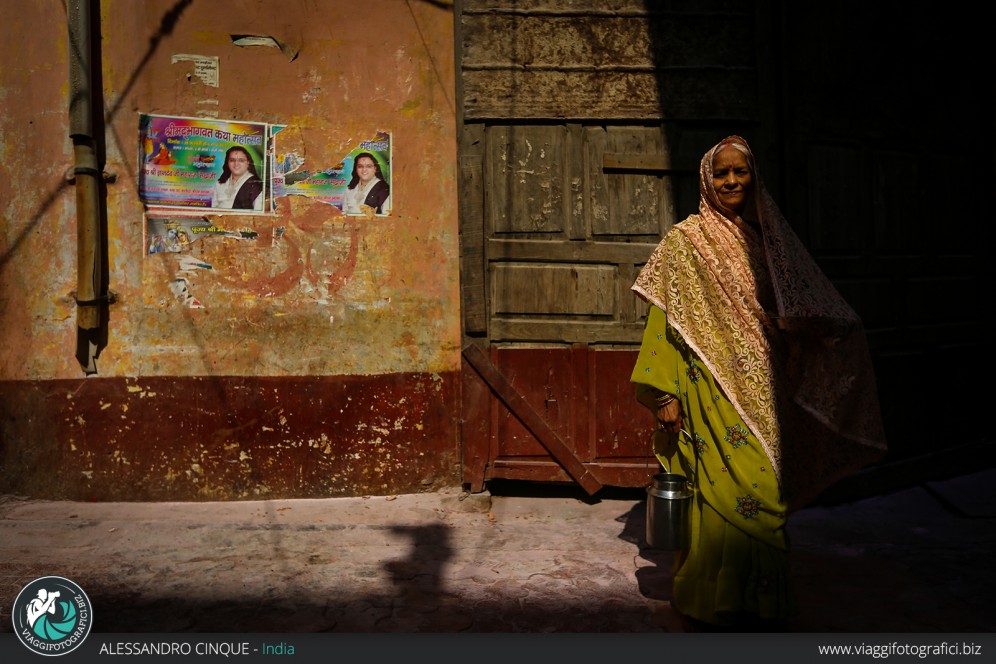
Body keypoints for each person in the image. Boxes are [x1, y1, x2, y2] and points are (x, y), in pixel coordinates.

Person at [630, 135, 887, 630]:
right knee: (715, 493)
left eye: (740, 172)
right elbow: (662, 323)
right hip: (707, 388)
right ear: (706, 180)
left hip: (765, 391)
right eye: (721, 173)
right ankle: (710, 598)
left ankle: (760, 601)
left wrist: (829, 329)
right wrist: (663, 393)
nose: (731, 181)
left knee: (764, 489)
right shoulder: (685, 242)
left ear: (754, 178)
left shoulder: (769, 242)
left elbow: (793, 309)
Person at [210, 145, 263, 211]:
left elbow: (258, 213)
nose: (236, 164)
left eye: (241, 160)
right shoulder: (220, 183)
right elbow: (213, 209)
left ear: (248, 163)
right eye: (232, 160)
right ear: (227, 163)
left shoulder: (255, 184)